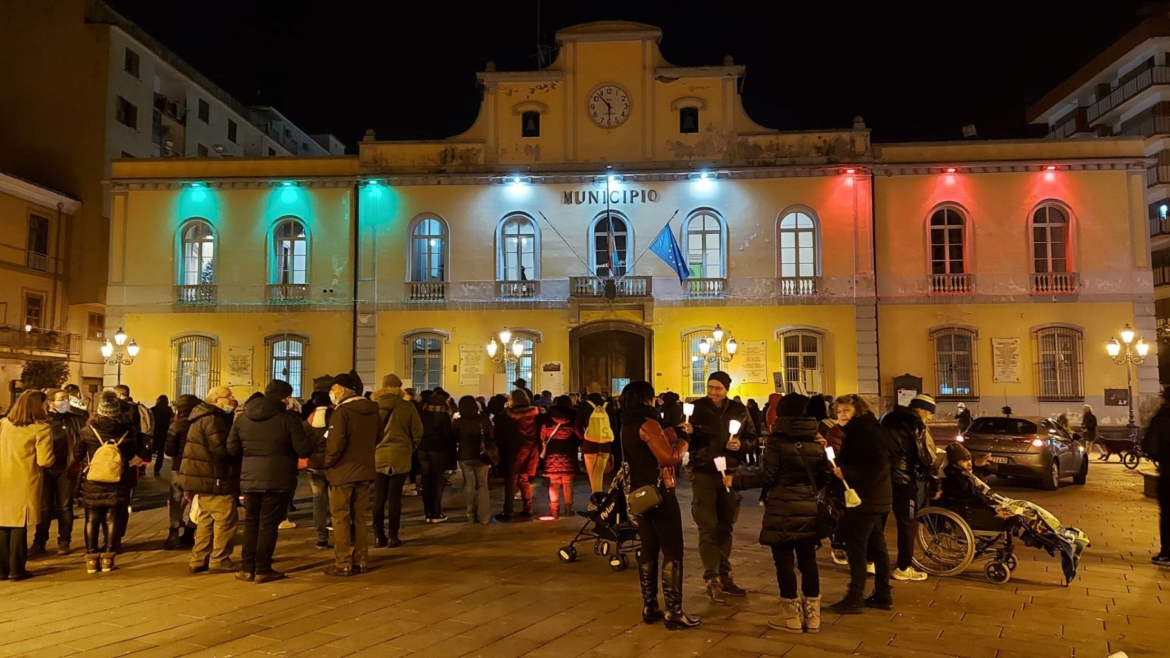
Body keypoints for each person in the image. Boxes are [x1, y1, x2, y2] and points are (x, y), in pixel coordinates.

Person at [728, 393, 830, 633]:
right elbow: (825, 476)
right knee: (808, 562)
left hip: (781, 509)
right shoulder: (817, 440)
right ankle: (813, 617)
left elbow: (767, 477)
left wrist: (736, 480)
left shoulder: (776, 441)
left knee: (784, 563)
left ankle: (792, 618)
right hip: (808, 508)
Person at [620, 381, 699, 630]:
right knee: (673, 549)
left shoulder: (626, 425)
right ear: (646, 399)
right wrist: (684, 439)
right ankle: (674, 610)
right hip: (659, 493)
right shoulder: (648, 423)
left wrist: (673, 432)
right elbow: (668, 457)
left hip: (638, 494)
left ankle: (650, 605)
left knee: (649, 547)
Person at [680, 371, 755, 604]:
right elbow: (681, 439)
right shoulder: (697, 408)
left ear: (727, 389)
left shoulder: (739, 411)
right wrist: (687, 433)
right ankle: (711, 577)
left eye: (718, 388)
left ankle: (725, 575)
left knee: (725, 526)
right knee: (707, 526)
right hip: (703, 471)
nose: (713, 392)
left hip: (730, 474)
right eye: (710, 387)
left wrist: (740, 444)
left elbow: (754, 439)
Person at [227, 380, 313, 583]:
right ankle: (263, 568)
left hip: (249, 478)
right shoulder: (288, 419)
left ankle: (247, 568)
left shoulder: (242, 418)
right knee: (268, 524)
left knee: (251, 523)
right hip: (278, 478)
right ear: (285, 398)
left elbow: (231, 449)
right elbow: (304, 450)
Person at [825, 398, 893, 615]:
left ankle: (854, 597)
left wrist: (847, 471)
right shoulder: (866, 427)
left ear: (857, 410)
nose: (842, 414)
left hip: (865, 499)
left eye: (846, 410)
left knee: (856, 547)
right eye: (838, 411)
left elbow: (876, 465)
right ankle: (883, 594)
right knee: (877, 547)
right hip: (876, 497)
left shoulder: (864, 431)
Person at [879, 394, 939, 583]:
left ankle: (872, 560)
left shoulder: (886, 418)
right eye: (929, 414)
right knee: (907, 522)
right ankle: (904, 567)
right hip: (904, 479)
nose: (929, 418)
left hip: (881, 477)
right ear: (922, 410)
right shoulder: (916, 424)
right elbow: (927, 457)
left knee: (878, 520)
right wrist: (935, 481)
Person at [323, 372, 379, 576]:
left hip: (342, 472)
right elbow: (378, 437)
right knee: (360, 517)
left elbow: (335, 443)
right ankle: (361, 559)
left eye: (333, 388)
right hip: (365, 469)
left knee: (340, 517)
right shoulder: (372, 411)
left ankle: (343, 561)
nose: (331, 393)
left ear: (343, 389)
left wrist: (328, 464)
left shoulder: (342, 412)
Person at [178, 386, 238, 574]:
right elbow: (221, 449)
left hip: (202, 477)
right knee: (225, 519)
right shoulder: (213, 419)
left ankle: (199, 558)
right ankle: (219, 558)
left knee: (205, 519)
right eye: (228, 396)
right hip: (215, 475)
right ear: (216, 400)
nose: (233, 399)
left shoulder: (200, 417)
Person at [75, 391, 137, 573]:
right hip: (118, 479)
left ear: (100, 410)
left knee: (91, 518)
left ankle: (91, 560)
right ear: (117, 411)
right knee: (112, 518)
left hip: (92, 480)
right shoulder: (128, 431)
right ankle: (108, 559)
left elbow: (78, 454)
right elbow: (132, 454)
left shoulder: (87, 431)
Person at [0, 390, 54, 580]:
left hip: (3, 477)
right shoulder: (40, 428)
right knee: (19, 525)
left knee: (3, 524)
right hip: (25, 478)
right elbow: (45, 460)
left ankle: (2, 568)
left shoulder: (5, 423)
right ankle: (17, 569)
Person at [31, 388, 85, 557]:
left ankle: (64, 541)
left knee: (65, 506)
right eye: (61, 399)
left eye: (67, 398)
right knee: (44, 508)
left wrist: (73, 405)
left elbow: (83, 414)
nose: (65, 401)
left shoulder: (73, 420)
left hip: (65, 469)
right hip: (45, 469)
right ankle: (39, 542)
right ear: (50, 403)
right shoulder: (42, 422)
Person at [374, 375, 423, 547]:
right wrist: (410, 448)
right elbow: (417, 431)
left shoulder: (374, 406)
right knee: (395, 497)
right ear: (399, 387)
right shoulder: (407, 406)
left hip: (378, 455)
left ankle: (378, 536)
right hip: (401, 455)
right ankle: (393, 536)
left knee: (379, 497)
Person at [163, 394, 200, 550]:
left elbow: (169, 450)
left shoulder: (176, 425)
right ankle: (190, 531)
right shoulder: (199, 424)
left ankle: (173, 534)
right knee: (196, 501)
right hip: (196, 469)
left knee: (176, 501)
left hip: (178, 468)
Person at [498, 390, 540, 521]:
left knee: (511, 480)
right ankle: (528, 509)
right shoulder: (534, 414)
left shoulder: (508, 415)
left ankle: (508, 511)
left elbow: (500, 429)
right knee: (524, 479)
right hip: (531, 449)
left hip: (514, 449)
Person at [453, 395, 494, 524]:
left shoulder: (458, 423)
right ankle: (485, 516)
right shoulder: (484, 420)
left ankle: (470, 514)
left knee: (469, 484)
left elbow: (454, 438)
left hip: (464, 456)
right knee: (482, 485)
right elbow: (492, 436)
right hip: (482, 456)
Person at [417, 390, 456, 524]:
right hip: (438, 451)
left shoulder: (422, 415)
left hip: (422, 450)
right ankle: (436, 512)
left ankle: (427, 512)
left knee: (426, 481)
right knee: (438, 482)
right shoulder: (442, 416)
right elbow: (448, 436)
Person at [540, 395, 580, 519]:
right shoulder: (573, 418)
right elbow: (578, 436)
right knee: (567, 482)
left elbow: (542, 436)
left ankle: (554, 510)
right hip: (568, 454)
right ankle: (568, 509)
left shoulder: (548, 419)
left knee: (554, 483)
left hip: (552, 456)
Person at [303, 390, 332, 550]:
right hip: (333, 464)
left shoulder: (308, 422)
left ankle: (321, 538)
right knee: (337, 502)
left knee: (318, 502)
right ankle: (342, 533)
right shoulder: (335, 417)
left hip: (314, 465)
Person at [1144, 388, 1170, 567]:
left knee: (1168, 513)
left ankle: (1167, 554)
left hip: (1169, 474)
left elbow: (1150, 447)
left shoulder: (1161, 419)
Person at [576, 388, 613, 506]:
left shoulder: (583, 406)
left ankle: (595, 504)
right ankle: (597, 502)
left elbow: (577, 426)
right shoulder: (609, 406)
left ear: (587, 391)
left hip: (589, 445)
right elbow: (615, 427)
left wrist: (584, 437)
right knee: (598, 474)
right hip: (605, 445)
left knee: (593, 475)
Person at [151, 395, 174, 477]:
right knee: (160, 453)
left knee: (150, 451)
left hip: (154, 434)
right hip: (164, 434)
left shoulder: (153, 410)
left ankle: (143, 468)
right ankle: (157, 469)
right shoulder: (169, 410)